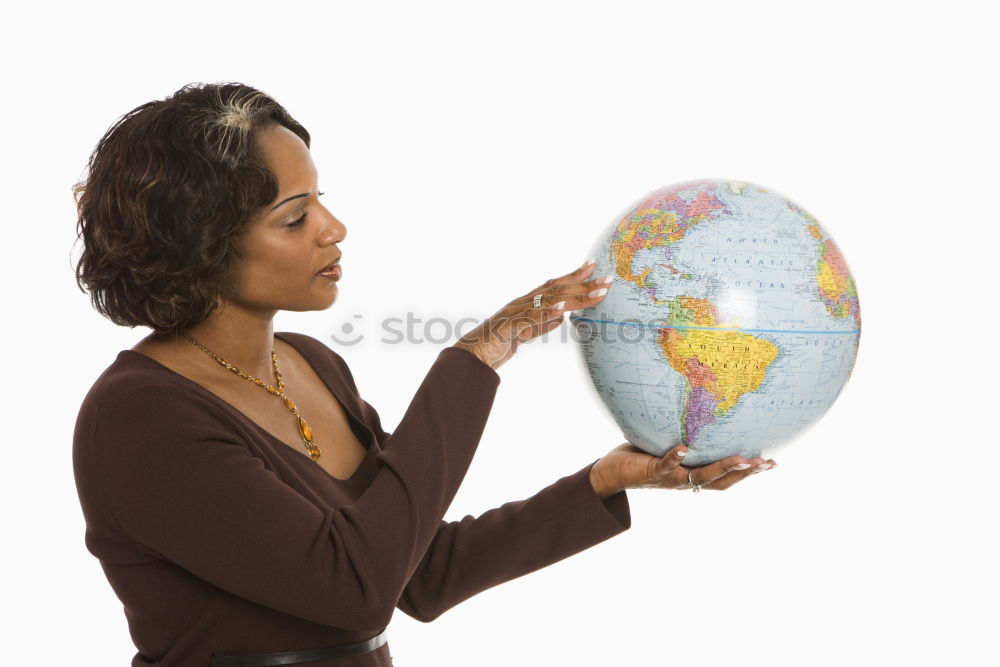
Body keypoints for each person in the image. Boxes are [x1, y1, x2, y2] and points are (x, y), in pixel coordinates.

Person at [71, 82, 777, 667]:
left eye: (321, 199)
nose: (333, 227)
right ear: (199, 245)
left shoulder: (313, 364)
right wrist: (474, 358)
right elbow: (355, 589)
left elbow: (420, 570)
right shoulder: (140, 417)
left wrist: (606, 480)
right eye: (295, 216)